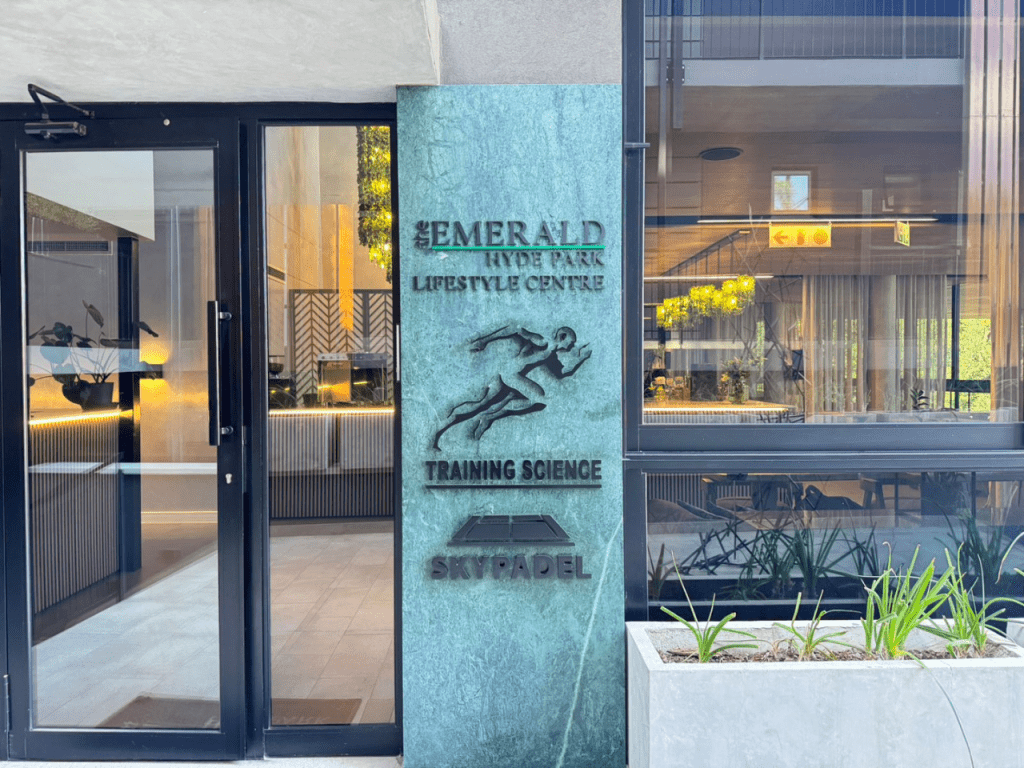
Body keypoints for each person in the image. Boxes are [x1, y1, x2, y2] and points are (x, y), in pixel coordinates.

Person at [432, 325, 591, 450]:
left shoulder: (552, 353)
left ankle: (455, 425)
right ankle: (476, 418)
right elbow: (516, 328)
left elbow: (562, 372)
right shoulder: (543, 342)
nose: (570, 346)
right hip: (510, 374)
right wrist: (484, 340)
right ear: (562, 336)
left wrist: (581, 359)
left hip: (512, 374)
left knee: (483, 402)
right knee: (538, 398)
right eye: (570, 342)